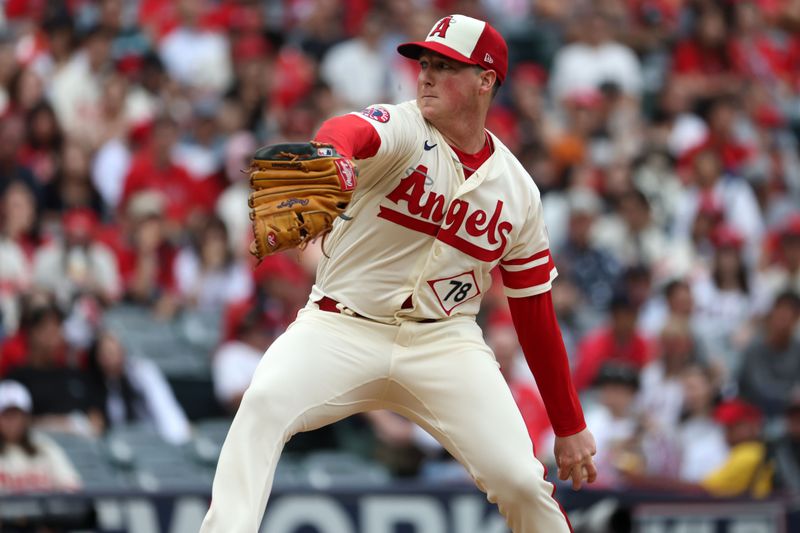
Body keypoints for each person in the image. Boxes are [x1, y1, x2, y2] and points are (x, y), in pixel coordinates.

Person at [200, 14, 596, 533]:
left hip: (445, 343)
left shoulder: (518, 192)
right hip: (341, 325)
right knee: (264, 405)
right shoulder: (405, 127)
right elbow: (349, 130)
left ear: (486, 80)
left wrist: (569, 426)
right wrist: (334, 155)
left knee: (521, 480)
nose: (426, 75)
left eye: (445, 66)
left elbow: (535, 314)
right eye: (424, 63)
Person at [0, 380, 82, 493]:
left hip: (44, 510)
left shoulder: (44, 446)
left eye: (17, 415)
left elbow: (71, 487)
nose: (12, 422)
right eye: (6, 416)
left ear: (27, 417)